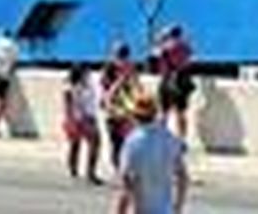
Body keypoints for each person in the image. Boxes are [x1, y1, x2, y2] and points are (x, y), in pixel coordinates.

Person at [115, 92, 189, 214]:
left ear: (135, 116)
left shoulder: (132, 142)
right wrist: (178, 206)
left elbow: (126, 185)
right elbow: (183, 177)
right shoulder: (169, 138)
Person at [102, 43, 143, 171]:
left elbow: (137, 85)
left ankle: (124, 166)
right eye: (121, 56)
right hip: (114, 107)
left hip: (127, 107)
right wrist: (121, 80)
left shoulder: (130, 68)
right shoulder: (109, 68)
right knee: (116, 140)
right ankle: (118, 167)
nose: (123, 61)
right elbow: (105, 87)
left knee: (127, 139)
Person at [154, 25, 196, 139]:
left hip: (167, 80)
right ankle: (181, 139)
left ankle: (160, 138)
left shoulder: (166, 47)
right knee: (181, 113)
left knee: (164, 112)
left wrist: (160, 38)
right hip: (181, 81)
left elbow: (156, 54)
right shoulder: (185, 46)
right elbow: (190, 56)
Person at [63, 64, 103, 184]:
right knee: (76, 144)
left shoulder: (90, 85)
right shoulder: (70, 88)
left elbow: (95, 99)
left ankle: (90, 172)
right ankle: (74, 168)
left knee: (94, 143)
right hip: (78, 118)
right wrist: (71, 120)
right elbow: (68, 106)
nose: (88, 75)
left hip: (89, 117)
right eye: (86, 73)